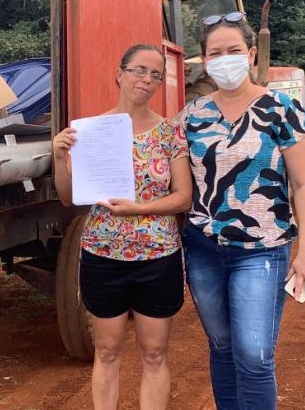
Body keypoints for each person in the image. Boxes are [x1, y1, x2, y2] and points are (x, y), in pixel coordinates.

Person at [180, 12, 305, 409]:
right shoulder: (191, 117)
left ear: (251, 53)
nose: (225, 59)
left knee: (255, 356)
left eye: (233, 50)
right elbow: (158, 167)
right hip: (204, 249)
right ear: (204, 61)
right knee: (222, 348)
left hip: (261, 249)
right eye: (215, 53)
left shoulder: (283, 109)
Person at [53, 44, 193, 410]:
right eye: (138, 70)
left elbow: (183, 198)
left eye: (155, 74)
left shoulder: (170, 133)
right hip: (103, 255)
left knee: (154, 352)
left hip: (158, 257)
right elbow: (69, 198)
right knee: (108, 350)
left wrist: (139, 209)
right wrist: (58, 157)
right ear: (120, 74)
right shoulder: (90, 132)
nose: (146, 79)